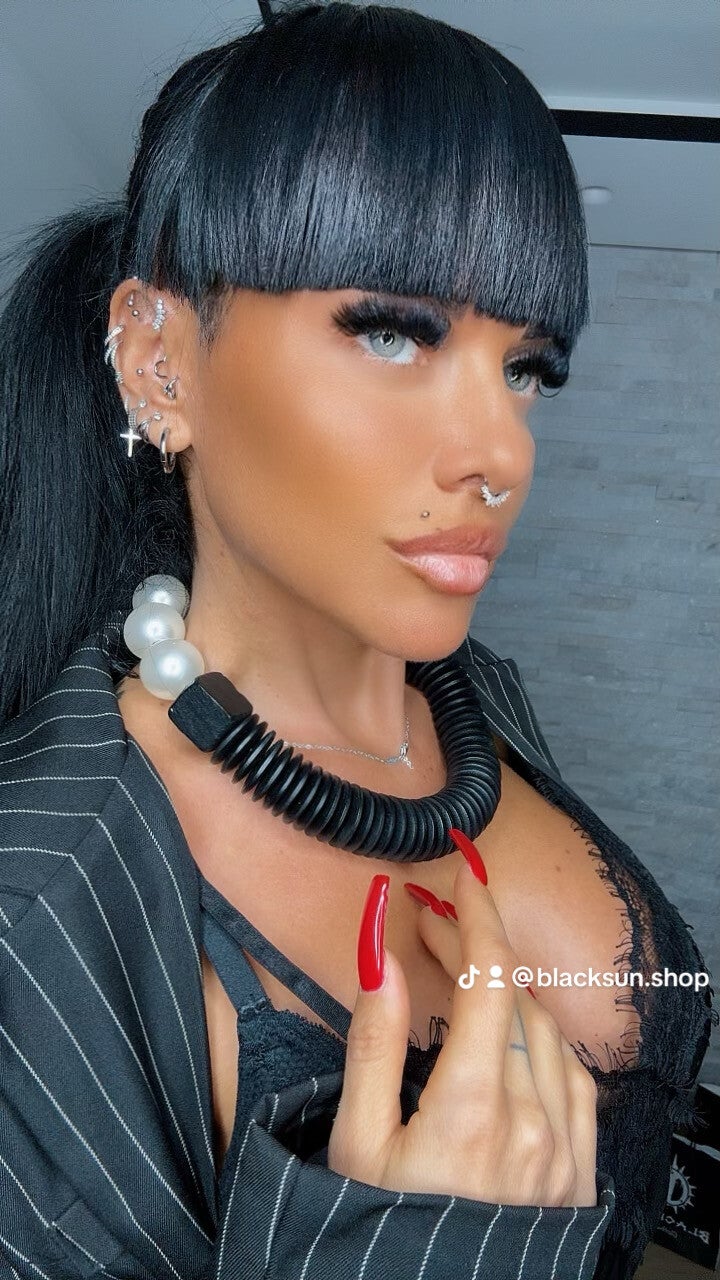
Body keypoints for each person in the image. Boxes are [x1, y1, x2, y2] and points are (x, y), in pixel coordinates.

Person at [0, 3, 714, 1277]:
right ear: (159, 362)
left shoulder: (470, 688)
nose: (501, 453)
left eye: (527, 367)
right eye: (393, 332)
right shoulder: (36, 923)